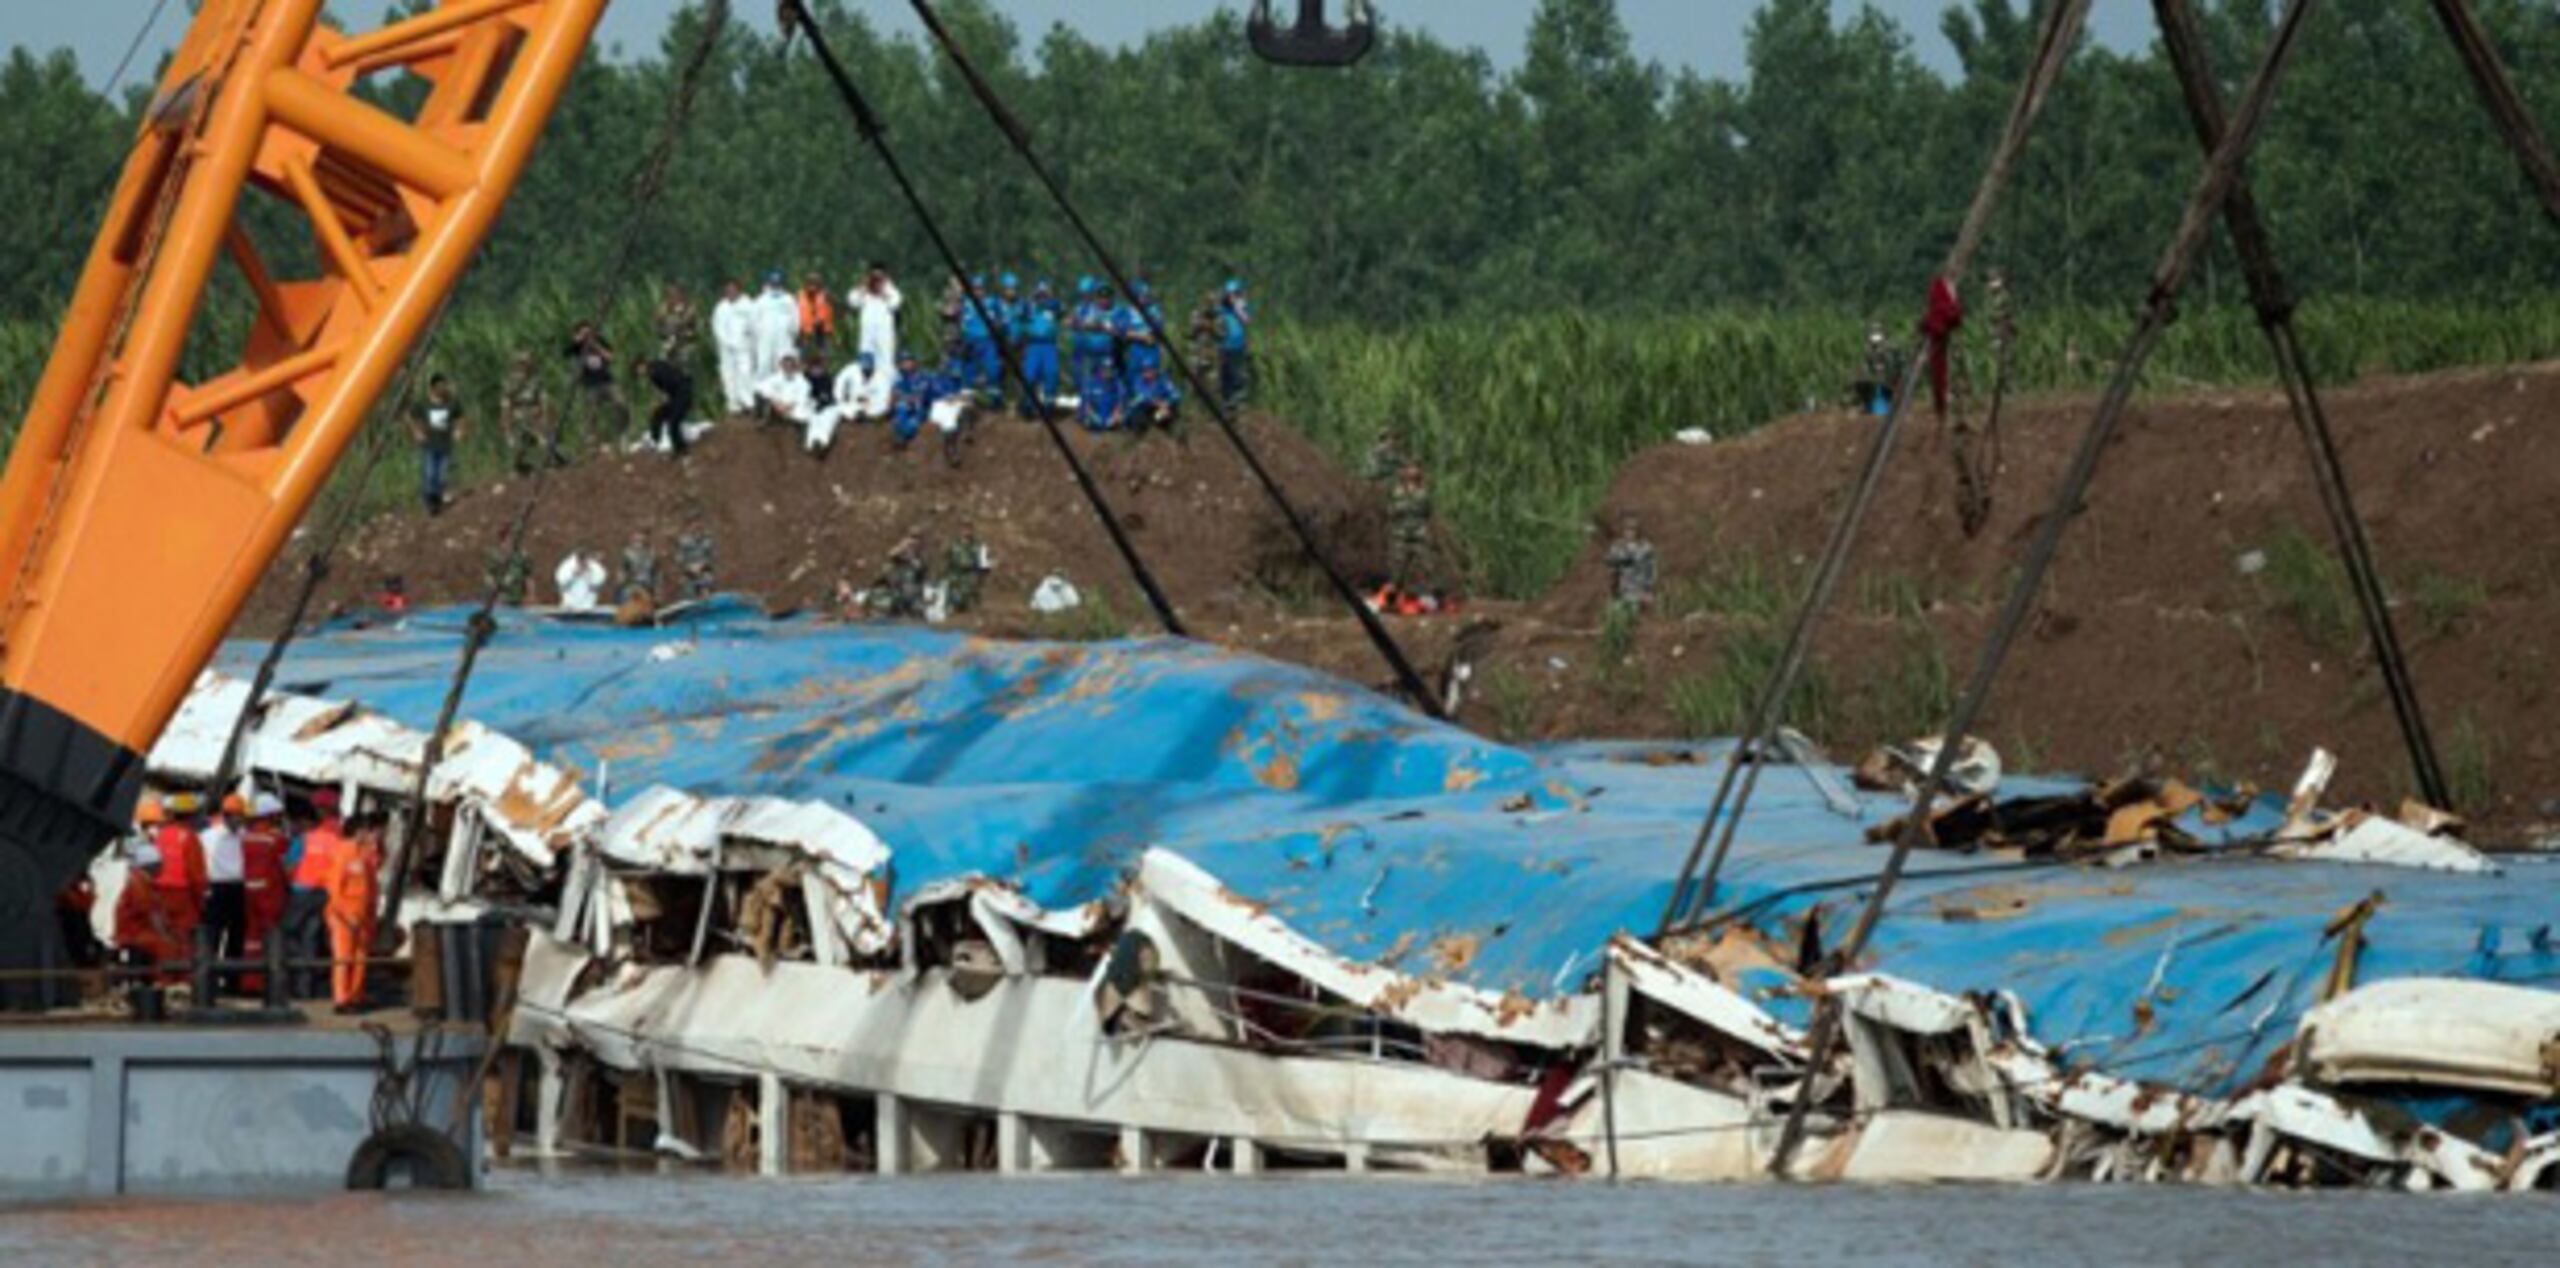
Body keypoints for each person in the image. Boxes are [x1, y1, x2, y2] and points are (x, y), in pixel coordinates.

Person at [284, 789, 345, 999]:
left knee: (288, 934)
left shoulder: (307, 838)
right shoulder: (339, 838)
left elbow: (289, 866)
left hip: (302, 892)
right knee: (312, 938)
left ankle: (299, 984)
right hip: (326, 894)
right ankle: (309, 987)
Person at [325, 814, 386, 1013]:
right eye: (365, 831)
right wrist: (345, 915)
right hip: (344, 915)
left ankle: (355, 996)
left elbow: (376, 868)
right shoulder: (343, 853)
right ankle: (341, 999)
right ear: (356, 832)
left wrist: (378, 844)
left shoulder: (364, 854)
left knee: (360, 958)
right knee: (344, 958)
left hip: (362, 915)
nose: (368, 835)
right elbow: (334, 890)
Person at [241, 793, 290, 989]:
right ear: (271, 816)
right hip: (270, 893)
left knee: (251, 938)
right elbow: (287, 863)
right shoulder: (275, 839)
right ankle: (269, 982)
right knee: (272, 937)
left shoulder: (245, 837)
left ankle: (249, 981)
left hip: (247, 891)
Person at [199, 795, 246, 993]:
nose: (237, 820)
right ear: (225, 816)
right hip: (216, 887)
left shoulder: (244, 835)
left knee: (236, 937)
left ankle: (231, 983)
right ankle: (208, 982)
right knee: (213, 936)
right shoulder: (208, 836)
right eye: (232, 816)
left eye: (239, 816)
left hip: (238, 888)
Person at [647, 283, 700, 457]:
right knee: (666, 380)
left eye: (676, 294)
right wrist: (665, 335)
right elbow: (655, 326)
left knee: (684, 379)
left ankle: (684, 414)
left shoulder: (689, 309)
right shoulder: (663, 310)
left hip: (684, 348)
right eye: (670, 294)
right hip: (668, 348)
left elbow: (694, 329)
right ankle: (668, 417)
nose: (673, 297)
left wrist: (681, 336)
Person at [408, 374, 465, 515]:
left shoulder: (452, 403)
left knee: (442, 475)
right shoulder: (423, 404)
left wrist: (459, 431)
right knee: (430, 473)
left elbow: (460, 418)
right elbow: (411, 417)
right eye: (439, 387)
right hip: (429, 445)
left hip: (445, 445)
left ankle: (437, 500)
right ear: (432, 388)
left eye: (444, 386)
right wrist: (417, 432)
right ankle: (429, 500)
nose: (442, 389)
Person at [850, 263, 902, 416]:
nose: (876, 280)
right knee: (865, 361)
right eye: (874, 277)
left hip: (884, 334)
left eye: (879, 277)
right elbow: (852, 301)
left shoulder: (890, 290)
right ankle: (864, 398)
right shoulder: (865, 291)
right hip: (867, 334)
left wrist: (883, 291)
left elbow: (896, 304)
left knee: (886, 362)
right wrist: (864, 286)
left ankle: (887, 398)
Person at [564, 320, 627, 444]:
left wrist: (596, 346)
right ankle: (591, 438)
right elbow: (566, 353)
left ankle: (621, 432)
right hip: (590, 385)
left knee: (621, 403)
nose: (587, 336)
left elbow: (611, 357)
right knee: (591, 413)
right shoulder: (578, 347)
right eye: (584, 333)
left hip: (607, 381)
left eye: (589, 332)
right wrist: (578, 340)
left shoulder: (599, 341)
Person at [499, 350, 559, 473]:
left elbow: (545, 401)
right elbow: (506, 407)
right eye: (521, 363)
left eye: (526, 363)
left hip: (535, 417)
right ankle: (518, 466)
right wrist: (507, 429)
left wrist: (546, 417)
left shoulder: (536, 381)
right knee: (518, 445)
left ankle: (552, 461)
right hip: (519, 419)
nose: (523, 367)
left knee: (546, 438)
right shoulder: (510, 383)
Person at [1018, 280, 1062, 419]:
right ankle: (1027, 406)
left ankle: (1049, 406)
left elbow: (1060, 310)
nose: (1042, 295)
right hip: (1033, 345)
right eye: (1040, 292)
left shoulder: (1054, 305)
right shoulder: (1028, 305)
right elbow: (1020, 318)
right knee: (1030, 376)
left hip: (1049, 345)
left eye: (1045, 293)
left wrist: (1046, 301)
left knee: (1051, 374)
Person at [712, 279, 757, 415]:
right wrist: (725, 341)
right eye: (728, 290)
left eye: (733, 289)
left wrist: (748, 339)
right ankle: (733, 403)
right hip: (726, 348)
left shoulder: (748, 305)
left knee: (745, 372)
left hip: (744, 346)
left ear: (739, 290)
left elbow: (754, 324)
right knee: (728, 374)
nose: (730, 292)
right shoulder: (721, 307)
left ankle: (748, 401)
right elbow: (716, 327)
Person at [1388, 462, 1433, 596]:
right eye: (1410, 469)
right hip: (1401, 535)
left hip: (1419, 535)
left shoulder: (1423, 493)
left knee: (1426, 566)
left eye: (1415, 470)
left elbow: (1427, 512)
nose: (1412, 472)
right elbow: (1391, 511)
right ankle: (1395, 594)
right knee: (1398, 568)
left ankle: (1427, 594)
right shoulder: (1398, 492)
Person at [1115, 279, 1165, 395]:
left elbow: (1157, 329)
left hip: (1151, 351)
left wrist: (1150, 337)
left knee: (1152, 379)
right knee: (1134, 381)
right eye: (1141, 295)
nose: (1144, 298)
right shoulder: (1127, 312)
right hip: (1135, 351)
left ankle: (1153, 405)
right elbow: (1123, 331)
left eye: (1145, 295)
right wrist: (1140, 336)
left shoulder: (1154, 309)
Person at [1071, 279, 1115, 404]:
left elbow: (1113, 329)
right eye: (1100, 295)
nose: (1103, 298)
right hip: (1088, 352)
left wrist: (1097, 326)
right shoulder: (1088, 309)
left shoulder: (1115, 311)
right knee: (1085, 380)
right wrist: (1092, 325)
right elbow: (1078, 323)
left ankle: (1105, 409)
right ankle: (1086, 408)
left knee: (1106, 380)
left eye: (1106, 296)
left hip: (1107, 352)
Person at [1604, 518, 1658, 617]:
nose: (1630, 533)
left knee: (1636, 613)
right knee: (1615, 613)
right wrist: (1616, 563)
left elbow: (1650, 568)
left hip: (1639, 588)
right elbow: (1610, 563)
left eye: (1633, 530)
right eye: (1627, 530)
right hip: (1622, 589)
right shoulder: (1617, 547)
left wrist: (1648, 589)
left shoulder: (1645, 547)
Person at [869, 532, 929, 620]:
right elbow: (891, 554)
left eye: (916, 542)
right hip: (899, 597)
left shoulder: (920, 559)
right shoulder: (900, 560)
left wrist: (912, 557)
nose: (912, 546)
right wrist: (903, 546)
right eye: (912, 543)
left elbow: (921, 570)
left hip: (914, 598)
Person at [752, 272, 799, 385]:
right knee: (764, 363)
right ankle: (761, 392)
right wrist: (759, 334)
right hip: (765, 338)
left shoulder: (789, 300)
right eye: (773, 284)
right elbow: (754, 320)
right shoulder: (761, 300)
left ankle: (784, 390)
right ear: (769, 284)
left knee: (784, 361)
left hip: (784, 337)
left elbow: (795, 319)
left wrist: (792, 332)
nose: (775, 286)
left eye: (778, 284)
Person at [958, 274, 998, 404]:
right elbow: (956, 317)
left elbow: (1002, 319)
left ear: (984, 290)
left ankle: (993, 401)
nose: (978, 291)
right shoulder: (965, 302)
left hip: (988, 341)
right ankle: (968, 401)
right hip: (970, 342)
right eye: (975, 289)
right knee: (968, 370)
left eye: (980, 288)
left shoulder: (992, 302)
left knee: (992, 369)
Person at [1218, 278, 1254, 409]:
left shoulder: (1242, 306)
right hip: (1225, 346)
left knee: (1239, 374)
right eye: (1230, 294)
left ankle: (1239, 401)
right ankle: (1226, 400)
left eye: (1235, 293)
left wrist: (1237, 308)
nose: (1232, 296)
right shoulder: (1221, 308)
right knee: (1226, 374)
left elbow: (1247, 321)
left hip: (1239, 345)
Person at [942, 526, 991, 615]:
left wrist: (982, 574)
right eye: (964, 529)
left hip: (971, 575)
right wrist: (947, 573)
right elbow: (946, 560)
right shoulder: (954, 545)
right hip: (956, 575)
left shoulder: (977, 546)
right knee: (954, 598)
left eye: (968, 529)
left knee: (971, 597)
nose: (966, 531)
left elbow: (984, 564)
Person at [1858, 321, 1901, 416]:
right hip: (1875, 379)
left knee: (1887, 387)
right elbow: (1866, 365)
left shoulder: (1890, 348)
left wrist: (1887, 373)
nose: (1875, 335)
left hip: (1889, 379)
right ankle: (1868, 405)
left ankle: (1891, 403)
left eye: (1877, 332)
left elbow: (1894, 366)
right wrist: (1867, 374)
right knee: (1862, 383)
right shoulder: (1869, 350)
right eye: (1873, 332)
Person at [1127, 364, 1181, 435]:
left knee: (1166, 414)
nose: (1145, 373)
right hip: (1146, 410)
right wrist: (1156, 402)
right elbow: (1140, 397)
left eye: (1148, 370)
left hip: (1160, 410)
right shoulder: (1139, 382)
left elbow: (1176, 395)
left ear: (1155, 371)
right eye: (1144, 370)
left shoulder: (1163, 380)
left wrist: (1166, 403)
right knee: (1138, 414)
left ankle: (1164, 424)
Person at [796, 271, 837, 363]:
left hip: (822, 330)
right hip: (805, 331)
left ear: (820, 284)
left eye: (816, 283)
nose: (813, 286)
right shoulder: (800, 295)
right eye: (811, 282)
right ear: (806, 283)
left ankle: (823, 370)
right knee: (802, 355)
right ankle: (802, 368)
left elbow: (833, 308)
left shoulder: (826, 294)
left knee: (824, 355)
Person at [1077, 363, 1124, 433]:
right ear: (1100, 370)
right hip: (1094, 414)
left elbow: (1120, 400)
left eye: (1110, 369)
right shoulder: (1091, 382)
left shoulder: (1116, 383)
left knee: (1120, 419)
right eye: (1105, 369)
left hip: (1109, 415)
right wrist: (1094, 417)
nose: (1107, 372)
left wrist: (1115, 415)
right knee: (1089, 422)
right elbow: (1087, 404)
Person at [619, 531, 661, 607]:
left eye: (640, 541)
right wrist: (622, 583)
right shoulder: (627, 554)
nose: (638, 543)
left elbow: (656, 575)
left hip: (647, 587)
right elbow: (622, 571)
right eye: (636, 540)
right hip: (632, 587)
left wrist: (657, 593)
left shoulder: (651, 555)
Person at [676, 527, 717, 601]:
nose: (695, 526)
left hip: (704, 572)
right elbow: (679, 560)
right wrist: (689, 568)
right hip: (689, 574)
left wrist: (703, 565)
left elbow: (712, 558)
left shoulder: (707, 541)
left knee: (707, 580)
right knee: (685, 585)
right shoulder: (683, 542)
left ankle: (706, 601)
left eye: (698, 523)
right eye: (693, 524)